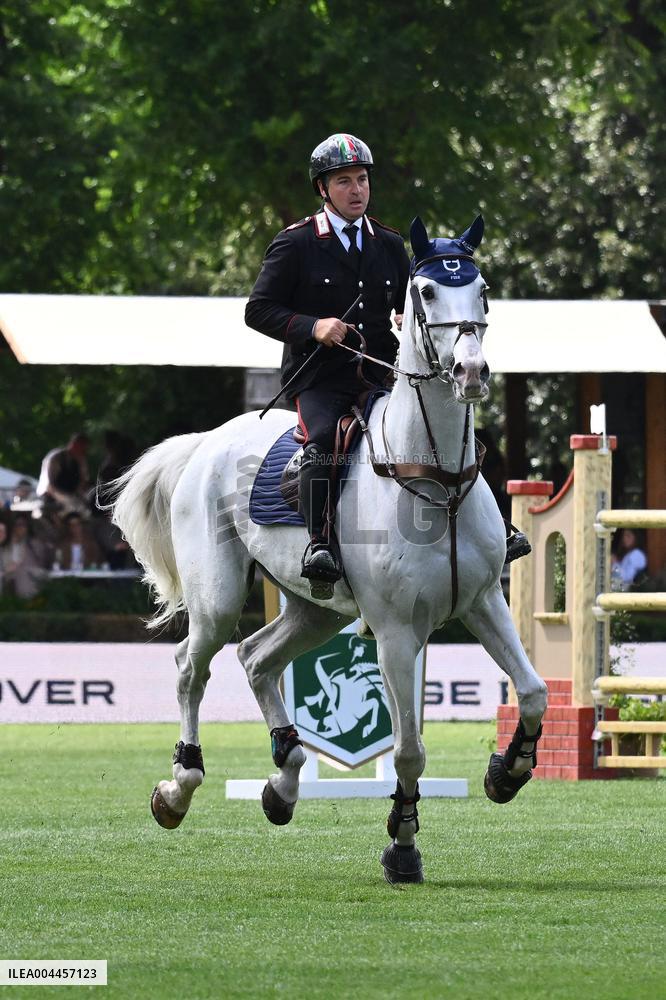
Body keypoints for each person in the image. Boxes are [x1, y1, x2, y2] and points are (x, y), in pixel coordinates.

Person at [245, 133, 410, 597]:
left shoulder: (391, 245)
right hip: (318, 379)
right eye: (344, 181)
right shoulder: (295, 243)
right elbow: (257, 310)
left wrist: (408, 315)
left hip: (380, 376)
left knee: (437, 427)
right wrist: (312, 325)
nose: (357, 189)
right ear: (323, 189)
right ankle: (319, 545)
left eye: (362, 179)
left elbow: (408, 304)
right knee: (322, 443)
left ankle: (488, 527)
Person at [36, 432, 91, 518]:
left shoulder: (79, 461)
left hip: (71, 498)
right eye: (82, 449)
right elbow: (49, 486)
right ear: (75, 445)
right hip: (51, 498)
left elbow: (82, 484)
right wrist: (67, 500)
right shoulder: (56, 458)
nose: (84, 453)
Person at [0, 514, 50, 599]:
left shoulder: (33, 544)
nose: (20, 528)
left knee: (26, 574)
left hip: (30, 575)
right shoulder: (5, 546)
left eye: (23, 525)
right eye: (17, 525)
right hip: (9, 576)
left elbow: (42, 563)